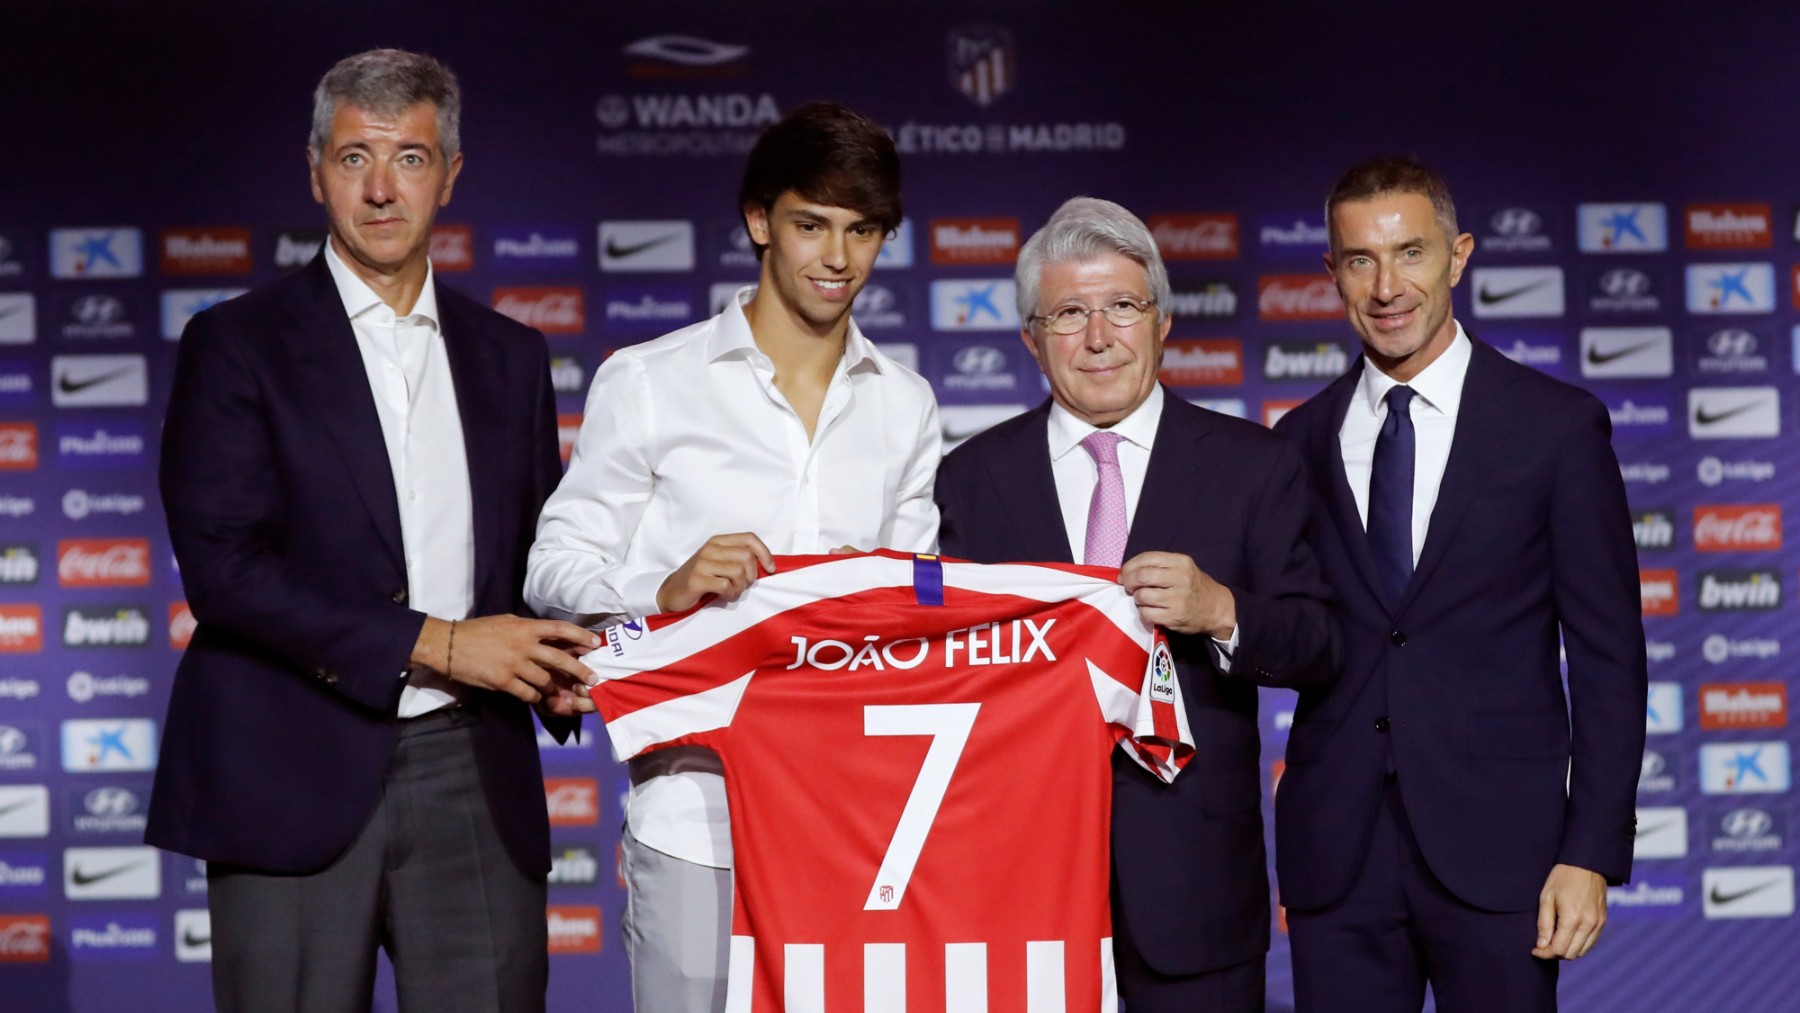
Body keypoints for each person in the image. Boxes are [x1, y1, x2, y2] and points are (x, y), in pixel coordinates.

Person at [147, 49, 598, 1013]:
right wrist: (436, 642)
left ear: (452, 173)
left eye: (411, 158)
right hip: (290, 767)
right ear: (316, 172)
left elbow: (534, 561)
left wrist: (581, 646)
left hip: (474, 771)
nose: (383, 189)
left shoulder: (512, 357)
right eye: (356, 159)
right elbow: (225, 570)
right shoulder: (236, 343)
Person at [525, 100, 940, 1013]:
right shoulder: (648, 380)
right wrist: (659, 588)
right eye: (811, 225)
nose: (838, 258)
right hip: (695, 814)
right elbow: (553, 563)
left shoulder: (905, 403)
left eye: (863, 230)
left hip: (857, 821)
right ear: (760, 221)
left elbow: (917, 609)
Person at [934, 196, 1337, 1013]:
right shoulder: (970, 478)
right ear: (1031, 339)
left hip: (1194, 899)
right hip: (1013, 888)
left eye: (1121, 306)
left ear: (1162, 323)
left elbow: (1320, 642)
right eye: (1069, 313)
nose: (1097, 336)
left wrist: (1223, 609)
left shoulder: (1253, 465)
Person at [1273, 156, 1647, 1012]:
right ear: (1331, 272)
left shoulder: (1554, 428)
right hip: (1338, 860)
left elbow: (1608, 661)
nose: (1386, 285)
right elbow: (1293, 632)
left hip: (1505, 855)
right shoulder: (1295, 442)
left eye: (1411, 252)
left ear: (1459, 255)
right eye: (1360, 259)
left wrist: (1589, 852)